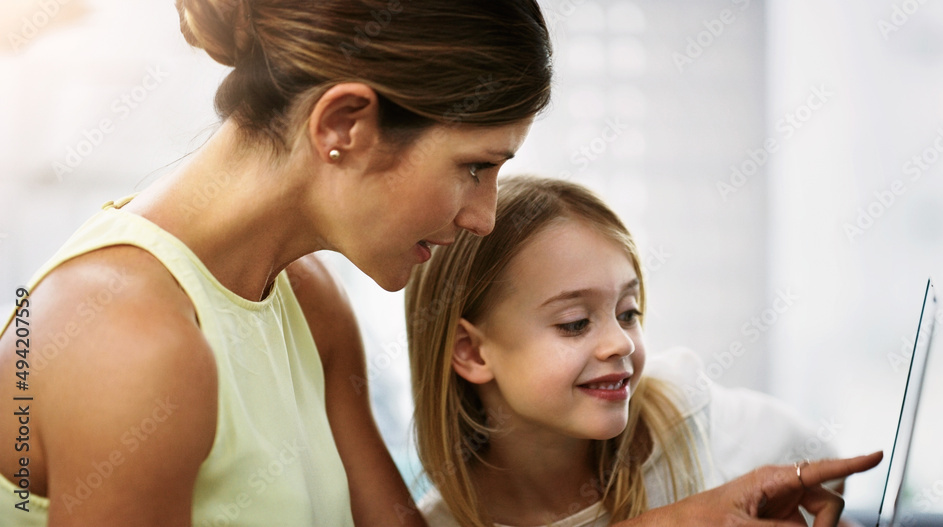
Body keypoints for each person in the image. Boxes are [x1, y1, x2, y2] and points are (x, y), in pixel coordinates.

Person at [0, 1, 552, 525]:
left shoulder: (308, 298)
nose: (484, 218)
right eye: (475, 167)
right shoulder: (127, 339)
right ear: (342, 124)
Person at [406, 175, 882, 527]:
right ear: (471, 353)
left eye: (628, 312)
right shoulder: (446, 521)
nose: (620, 342)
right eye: (575, 323)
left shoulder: (679, 410)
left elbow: (820, 468)